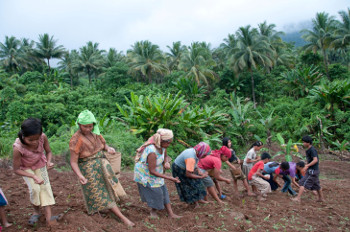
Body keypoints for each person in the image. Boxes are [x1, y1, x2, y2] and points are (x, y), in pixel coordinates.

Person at [69, 110, 134, 227]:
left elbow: (104, 146)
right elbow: (73, 162)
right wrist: (80, 175)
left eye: (90, 126)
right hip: (89, 169)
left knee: (110, 188)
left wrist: (109, 149)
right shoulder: (75, 140)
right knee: (101, 193)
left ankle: (108, 210)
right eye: (85, 126)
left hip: (103, 165)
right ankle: (123, 218)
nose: (88, 129)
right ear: (79, 124)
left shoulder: (96, 133)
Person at [12, 118, 61, 227]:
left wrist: (48, 162)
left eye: (37, 139)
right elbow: (16, 170)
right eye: (30, 140)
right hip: (25, 169)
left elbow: (48, 152)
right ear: (23, 136)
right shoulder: (18, 148)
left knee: (45, 188)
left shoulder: (43, 137)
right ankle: (36, 212)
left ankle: (49, 218)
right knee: (35, 189)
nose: (34, 142)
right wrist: (33, 176)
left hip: (40, 164)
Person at [134, 128, 182, 219]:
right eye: (168, 142)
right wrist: (170, 178)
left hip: (155, 170)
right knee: (156, 192)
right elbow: (152, 171)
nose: (169, 144)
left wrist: (166, 162)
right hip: (145, 173)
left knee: (164, 190)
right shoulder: (152, 151)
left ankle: (171, 214)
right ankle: (153, 211)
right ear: (162, 141)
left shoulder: (163, 147)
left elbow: (166, 157)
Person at [172, 142, 211, 207]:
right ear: (201, 152)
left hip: (186, 167)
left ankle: (199, 199)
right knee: (189, 184)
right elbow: (188, 174)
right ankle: (195, 202)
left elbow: (195, 163)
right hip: (179, 169)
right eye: (205, 155)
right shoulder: (191, 157)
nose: (205, 157)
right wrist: (200, 177)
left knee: (196, 182)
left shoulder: (195, 152)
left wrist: (199, 172)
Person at [292, 136, 324, 203]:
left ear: (308, 143)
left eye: (304, 142)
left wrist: (307, 166)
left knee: (302, 183)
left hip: (312, 171)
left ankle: (298, 198)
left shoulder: (312, 150)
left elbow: (315, 160)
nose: (303, 143)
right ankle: (321, 198)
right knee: (317, 185)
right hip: (314, 170)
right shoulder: (309, 150)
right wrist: (307, 166)